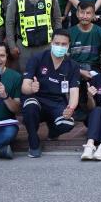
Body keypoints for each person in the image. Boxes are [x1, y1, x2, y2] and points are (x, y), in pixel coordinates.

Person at [21, 29, 81, 158]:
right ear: (51, 43)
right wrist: (31, 89)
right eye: (57, 43)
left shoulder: (73, 65)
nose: (60, 46)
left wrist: (70, 108)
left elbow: (74, 92)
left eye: (64, 44)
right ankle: (33, 141)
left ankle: (53, 131)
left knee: (67, 123)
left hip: (57, 103)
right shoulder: (37, 58)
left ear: (69, 45)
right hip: (37, 100)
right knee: (30, 105)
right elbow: (24, 87)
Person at [5, 0, 61, 69]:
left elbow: (57, 19)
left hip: (47, 45)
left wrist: (57, 41)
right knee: (25, 76)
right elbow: (10, 22)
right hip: (24, 47)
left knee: (46, 75)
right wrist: (12, 45)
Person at [67, 3, 101, 78]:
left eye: (88, 13)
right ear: (77, 14)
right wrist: (79, 71)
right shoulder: (69, 33)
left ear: (93, 15)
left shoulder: (100, 32)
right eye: (82, 12)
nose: (85, 16)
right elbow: (65, 58)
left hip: (94, 68)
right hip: (74, 68)